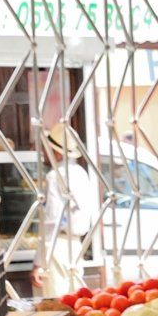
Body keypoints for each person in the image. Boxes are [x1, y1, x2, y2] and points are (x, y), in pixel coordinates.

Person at [39, 123, 102, 291]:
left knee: (57, 304)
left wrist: (39, 262)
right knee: (75, 300)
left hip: (57, 245)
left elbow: (53, 219)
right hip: (76, 244)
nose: (43, 153)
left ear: (57, 154)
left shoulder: (54, 176)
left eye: (47, 149)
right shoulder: (80, 172)